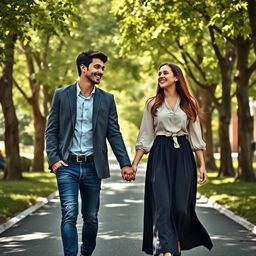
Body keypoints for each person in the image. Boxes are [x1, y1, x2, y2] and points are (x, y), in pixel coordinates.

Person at [45, 50, 135, 256]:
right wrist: (54, 159)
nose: (101, 71)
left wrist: (125, 163)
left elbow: (114, 133)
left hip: (93, 167)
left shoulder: (107, 99)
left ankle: (86, 252)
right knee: (69, 213)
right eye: (97, 67)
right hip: (67, 165)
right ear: (83, 68)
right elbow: (51, 130)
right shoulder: (62, 95)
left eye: (102, 68)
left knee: (91, 217)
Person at [132, 63, 213, 256]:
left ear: (176, 77)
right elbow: (145, 135)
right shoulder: (152, 104)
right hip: (159, 153)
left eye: (165, 73)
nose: (160, 76)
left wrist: (202, 164)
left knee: (180, 207)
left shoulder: (190, 103)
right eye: (159, 73)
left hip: (183, 154)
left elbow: (196, 136)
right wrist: (134, 163)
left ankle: (176, 240)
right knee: (163, 205)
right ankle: (168, 250)